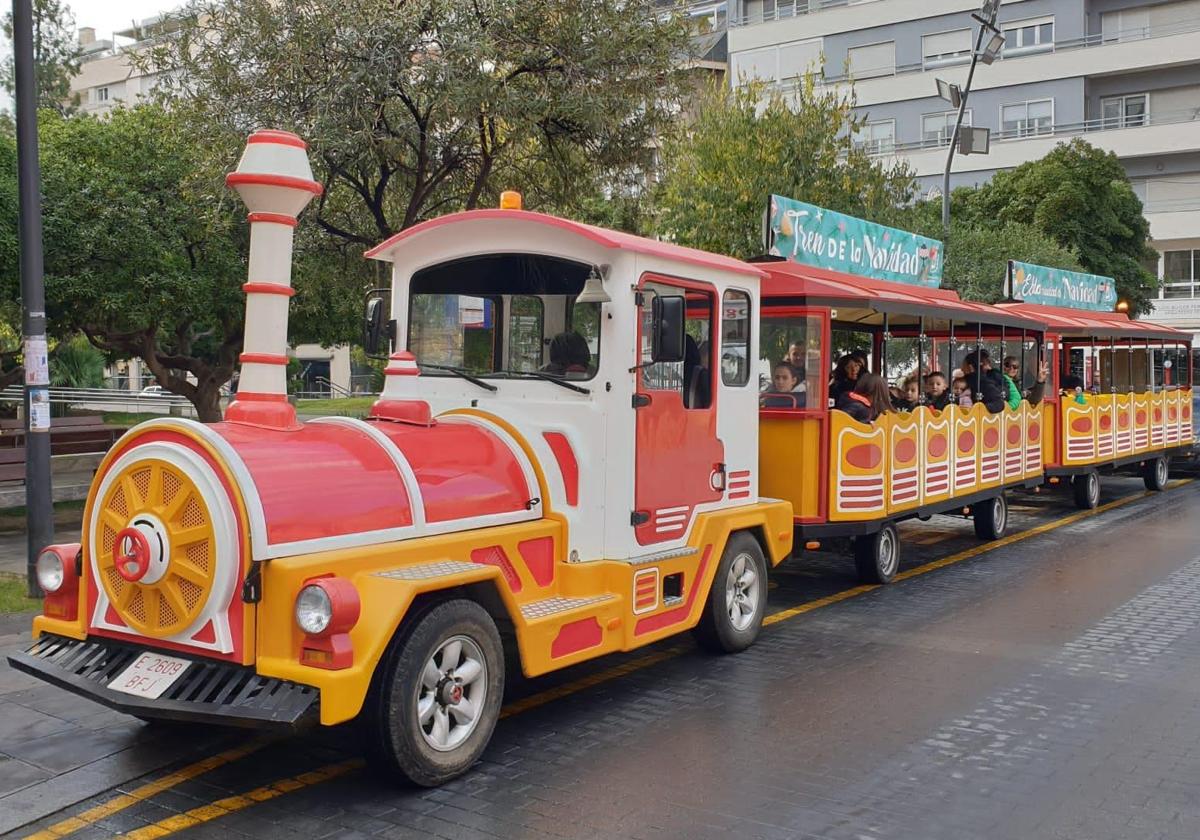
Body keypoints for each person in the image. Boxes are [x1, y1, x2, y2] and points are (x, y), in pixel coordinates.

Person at [960, 349, 1008, 413]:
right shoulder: (963, 382)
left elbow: (999, 403)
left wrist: (980, 409)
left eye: (964, 365)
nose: (962, 369)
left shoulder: (983, 383)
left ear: (970, 367)